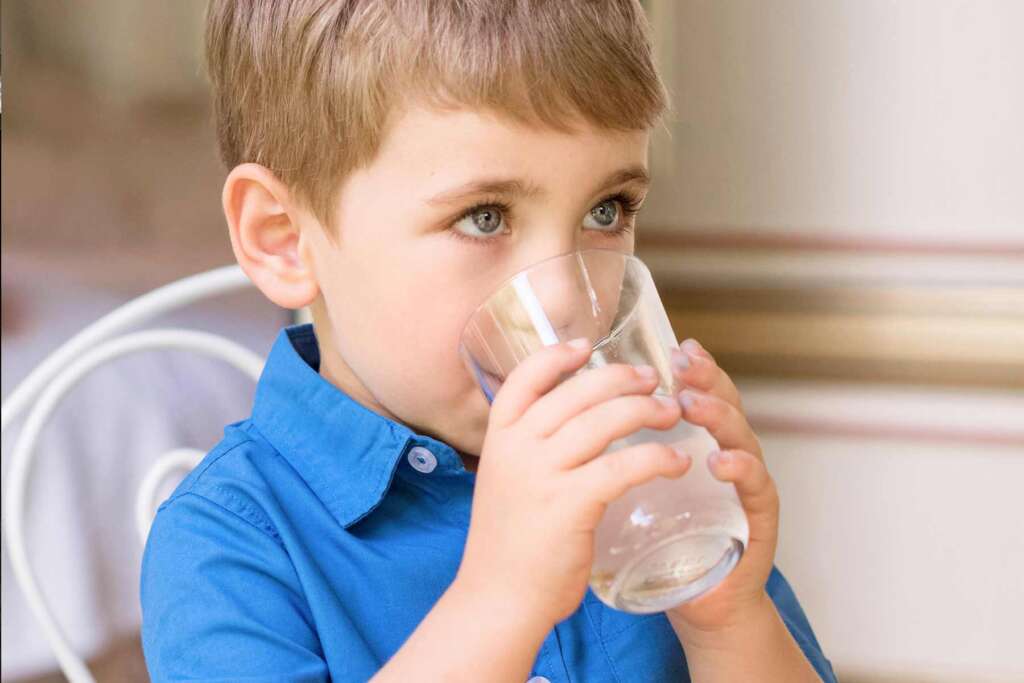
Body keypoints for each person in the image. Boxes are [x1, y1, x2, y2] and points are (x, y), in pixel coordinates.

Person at [140, 2, 837, 680]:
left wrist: (729, 619)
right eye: (483, 217)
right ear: (284, 239)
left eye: (606, 210)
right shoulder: (229, 545)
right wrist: (500, 598)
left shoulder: (642, 475)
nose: (570, 298)